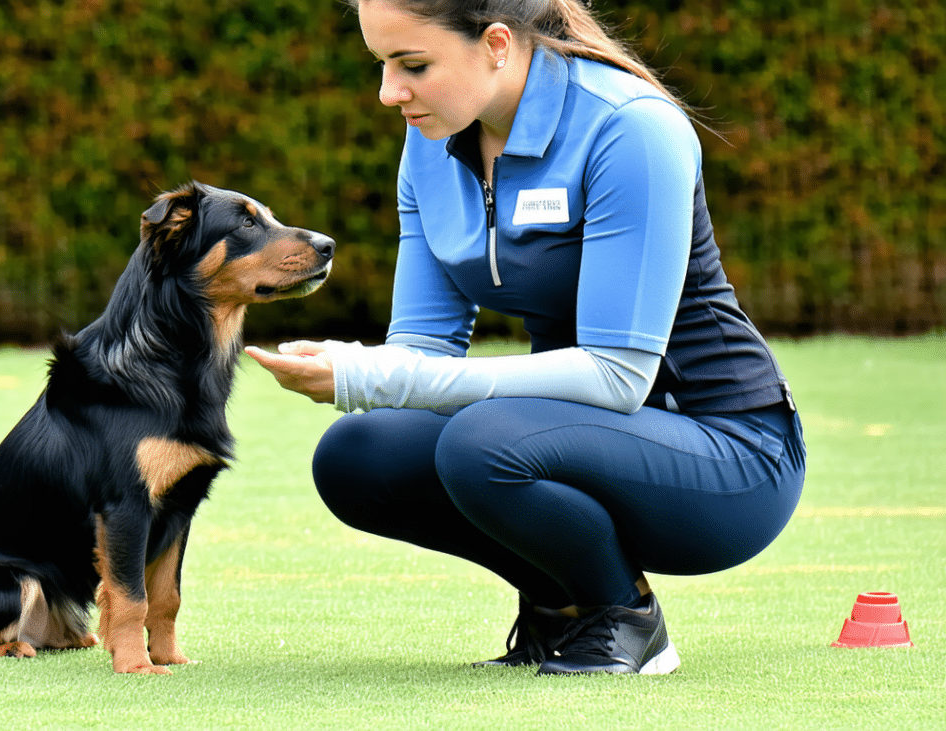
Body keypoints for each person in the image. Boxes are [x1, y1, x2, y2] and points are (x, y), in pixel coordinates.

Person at [245, 0, 806, 676]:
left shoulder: (632, 128)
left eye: (413, 65)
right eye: (383, 65)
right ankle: (561, 606)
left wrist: (374, 374)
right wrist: (359, 368)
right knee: (358, 453)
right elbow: (421, 350)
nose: (389, 92)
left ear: (498, 44)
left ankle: (624, 619)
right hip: (564, 439)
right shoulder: (430, 140)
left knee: (481, 443)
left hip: (729, 457)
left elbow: (618, 375)